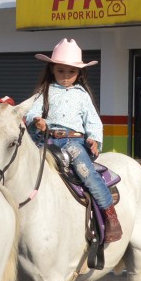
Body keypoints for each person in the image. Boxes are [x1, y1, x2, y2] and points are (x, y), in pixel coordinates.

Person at [24, 38, 122, 243]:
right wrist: (37, 121)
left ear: (79, 73)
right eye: (61, 71)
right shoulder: (45, 92)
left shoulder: (82, 95)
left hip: (74, 143)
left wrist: (94, 139)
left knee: (87, 174)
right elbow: (32, 113)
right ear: (52, 69)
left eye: (71, 72)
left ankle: (110, 215)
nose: (66, 76)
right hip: (47, 141)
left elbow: (93, 122)